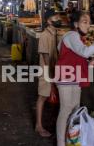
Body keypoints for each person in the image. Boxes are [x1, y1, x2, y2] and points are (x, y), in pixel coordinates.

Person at [55, 12, 94, 146]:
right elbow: (84, 52)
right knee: (66, 109)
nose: (88, 25)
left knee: (75, 109)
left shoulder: (77, 37)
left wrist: (88, 64)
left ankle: (72, 139)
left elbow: (76, 56)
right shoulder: (71, 35)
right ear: (75, 24)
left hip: (74, 76)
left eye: (89, 22)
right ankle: (61, 143)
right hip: (65, 77)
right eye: (84, 21)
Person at [35, 9, 61, 137]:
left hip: (53, 69)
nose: (58, 20)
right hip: (46, 70)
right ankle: (38, 126)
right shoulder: (45, 35)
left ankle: (52, 123)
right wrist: (51, 76)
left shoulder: (55, 33)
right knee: (42, 97)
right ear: (48, 21)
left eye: (58, 17)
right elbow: (45, 58)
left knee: (52, 98)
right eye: (55, 18)